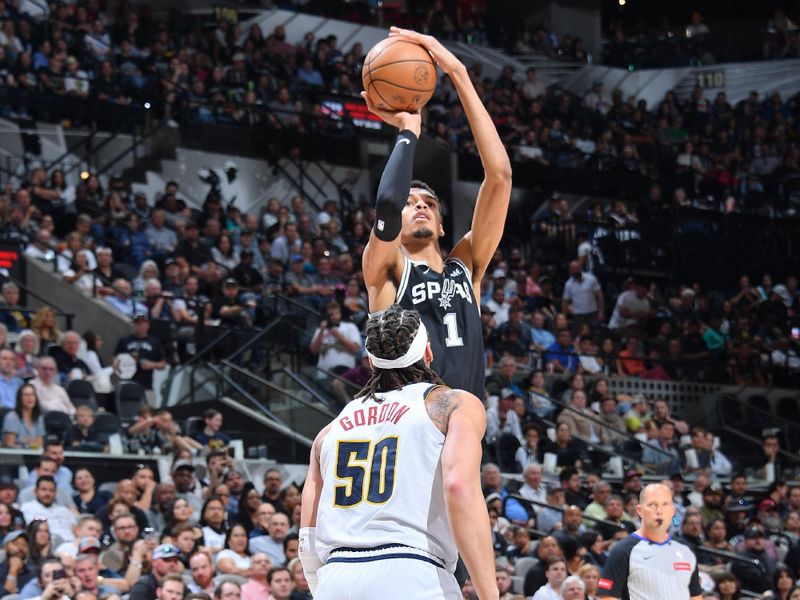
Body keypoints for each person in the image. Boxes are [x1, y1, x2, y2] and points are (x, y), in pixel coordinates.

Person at [299, 305, 496, 599]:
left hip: (336, 575)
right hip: (412, 571)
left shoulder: (330, 430)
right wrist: (489, 594)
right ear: (428, 353)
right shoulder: (452, 404)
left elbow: (307, 540)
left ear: (370, 363)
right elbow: (458, 487)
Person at [361, 28, 512, 400]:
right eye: (411, 202)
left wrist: (458, 73)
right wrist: (409, 131)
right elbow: (387, 206)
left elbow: (500, 176)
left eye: (428, 202)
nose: (420, 205)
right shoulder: (387, 270)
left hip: (464, 430)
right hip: (411, 430)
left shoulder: (467, 266)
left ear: (443, 225)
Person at [598, 483, 702, 600]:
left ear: (672, 511)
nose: (659, 510)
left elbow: (695, 596)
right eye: (652, 505)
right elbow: (607, 596)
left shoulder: (686, 550)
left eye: (665, 504)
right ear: (640, 510)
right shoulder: (622, 550)